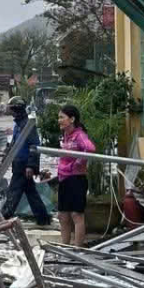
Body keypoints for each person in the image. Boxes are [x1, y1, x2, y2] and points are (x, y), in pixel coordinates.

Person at [1, 96, 52, 226]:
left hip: (24, 164)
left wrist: (31, 165)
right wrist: (6, 158)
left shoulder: (27, 125)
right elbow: (14, 144)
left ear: (16, 109)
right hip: (18, 163)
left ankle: (5, 216)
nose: (9, 110)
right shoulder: (19, 124)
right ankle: (43, 218)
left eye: (11, 108)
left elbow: (34, 145)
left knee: (14, 190)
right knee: (31, 193)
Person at [57, 104, 96, 246]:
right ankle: (64, 247)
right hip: (64, 178)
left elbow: (90, 149)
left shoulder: (79, 135)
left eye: (62, 117)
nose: (59, 120)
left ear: (72, 119)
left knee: (76, 215)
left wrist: (77, 163)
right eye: (59, 117)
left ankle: (77, 249)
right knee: (63, 215)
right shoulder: (65, 136)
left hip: (76, 179)